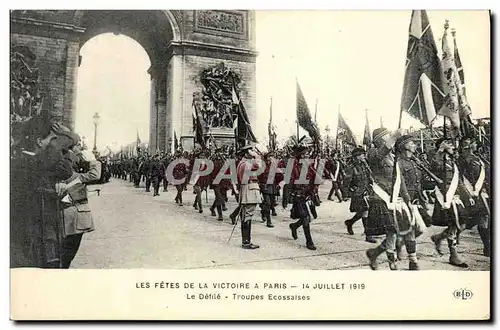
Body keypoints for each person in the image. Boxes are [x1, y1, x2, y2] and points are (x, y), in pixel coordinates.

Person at [365, 127, 411, 270]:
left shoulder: (392, 156)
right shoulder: (372, 152)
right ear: (380, 139)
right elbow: (378, 156)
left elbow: (399, 178)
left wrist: (406, 198)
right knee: (393, 229)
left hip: (394, 197)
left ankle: (376, 253)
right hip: (381, 197)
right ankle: (392, 261)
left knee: (398, 229)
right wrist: (394, 137)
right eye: (387, 136)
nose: (390, 137)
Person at [56, 132, 101, 268]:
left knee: (60, 250)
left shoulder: (56, 171)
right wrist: (92, 160)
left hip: (59, 216)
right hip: (76, 219)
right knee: (69, 251)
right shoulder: (75, 176)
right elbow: (95, 174)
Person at [429, 138, 471, 268]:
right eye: (449, 143)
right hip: (445, 197)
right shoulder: (439, 159)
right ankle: (453, 255)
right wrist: (440, 150)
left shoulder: (452, 161)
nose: (453, 146)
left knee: (462, 224)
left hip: (455, 197)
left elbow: (458, 181)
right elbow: (434, 166)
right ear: (442, 146)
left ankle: (439, 237)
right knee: (455, 224)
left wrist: (468, 195)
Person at [457, 136, 490, 257]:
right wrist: (468, 194)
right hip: (471, 193)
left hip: (481, 192)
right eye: (470, 142)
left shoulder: (477, 157)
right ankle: (487, 248)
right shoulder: (462, 159)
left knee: (475, 220)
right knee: (483, 217)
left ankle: (443, 236)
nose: (473, 144)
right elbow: (459, 178)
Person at [283, 143, 317, 250]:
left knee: (311, 216)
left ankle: (294, 226)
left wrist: (314, 190)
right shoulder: (292, 165)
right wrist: (286, 198)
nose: (306, 156)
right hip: (298, 195)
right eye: (304, 155)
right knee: (305, 217)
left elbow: (316, 177)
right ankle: (309, 241)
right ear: (299, 155)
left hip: (307, 194)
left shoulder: (308, 166)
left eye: (307, 155)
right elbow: (287, 183)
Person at [344, 147, 376, 243]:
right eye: (362, 155)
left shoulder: (364, 165)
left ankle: (350, 222)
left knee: (363, 212)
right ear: (357, 156)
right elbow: (346, 181)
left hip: (366, 191)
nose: (364, 156)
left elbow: (369, 176)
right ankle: (368, 235)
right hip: (358, 192)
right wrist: (346, 194)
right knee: (365, 211)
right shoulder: (351, 167)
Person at [236, 145, 261, 249]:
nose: (253, 153)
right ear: (247, 153)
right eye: (251, 151)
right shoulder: (246, 163)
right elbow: (259, 165)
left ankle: (246, 240)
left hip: (248, 188)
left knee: (246, 215)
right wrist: (257, 156)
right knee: (247, 215)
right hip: (249, 189)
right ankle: (246, 241)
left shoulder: (243, 163)